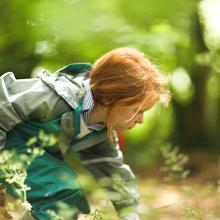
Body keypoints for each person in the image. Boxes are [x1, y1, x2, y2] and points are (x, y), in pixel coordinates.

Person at [0, 47, 170, 220]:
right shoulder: (54, 97)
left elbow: (111, 167)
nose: (141, 119)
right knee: (60, 195)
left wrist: (129, 211)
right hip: (8, 149)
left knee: (69, 201)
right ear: (109, 98)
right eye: (138, 110)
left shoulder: (99, 130)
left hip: (32, 157)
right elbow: (4, 103)